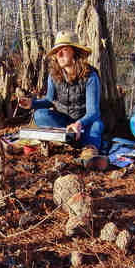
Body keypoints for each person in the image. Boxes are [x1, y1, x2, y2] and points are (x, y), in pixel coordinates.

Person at [18, 31, 108, 170]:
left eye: (64, 50)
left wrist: (79, 123)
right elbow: (49, 100)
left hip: (85, 123)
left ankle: (89, 153)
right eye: (57, 51)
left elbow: (93, 112)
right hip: (64, 122)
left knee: (97, 125)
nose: (59, 55)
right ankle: (70, 138)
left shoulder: (90, 76)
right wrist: (32, 103)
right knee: (40, 115)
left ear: (75, 53)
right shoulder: (54, 75)